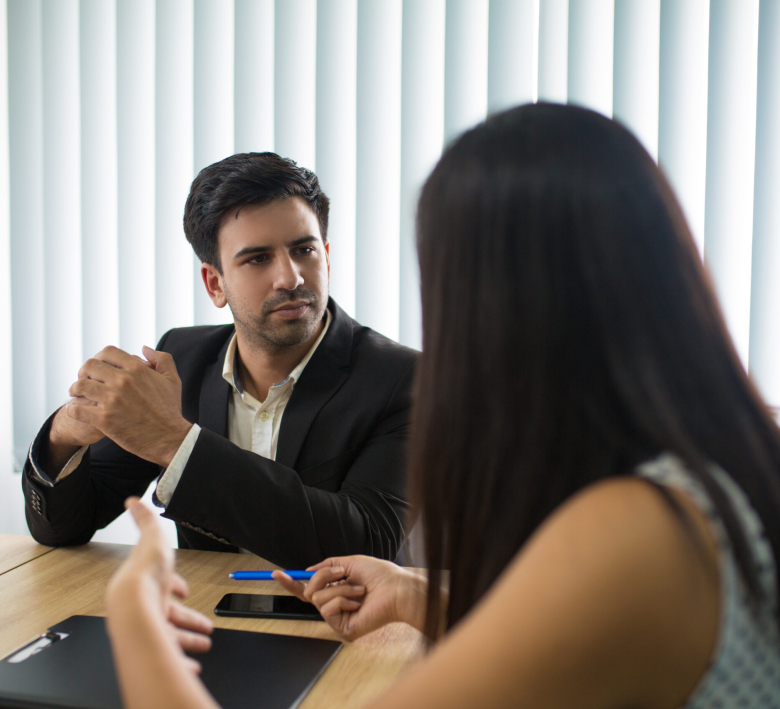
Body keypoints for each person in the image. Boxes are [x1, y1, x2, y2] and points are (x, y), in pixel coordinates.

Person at [105, 104, 780, 708]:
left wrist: (136, 624)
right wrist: (418, 595)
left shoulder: (633, 531)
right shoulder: (723, 466)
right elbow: (584, 634)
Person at [22, 153, 417, 568]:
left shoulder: (404, 379)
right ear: (215, 284)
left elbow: (368, 543)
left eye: (304, 250)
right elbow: (67, 526)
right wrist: (64, 436)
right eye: (258, 258)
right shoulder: (182, 359)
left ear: (327, 257)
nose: (291, 277)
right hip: (208, 607)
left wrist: (176, 444)